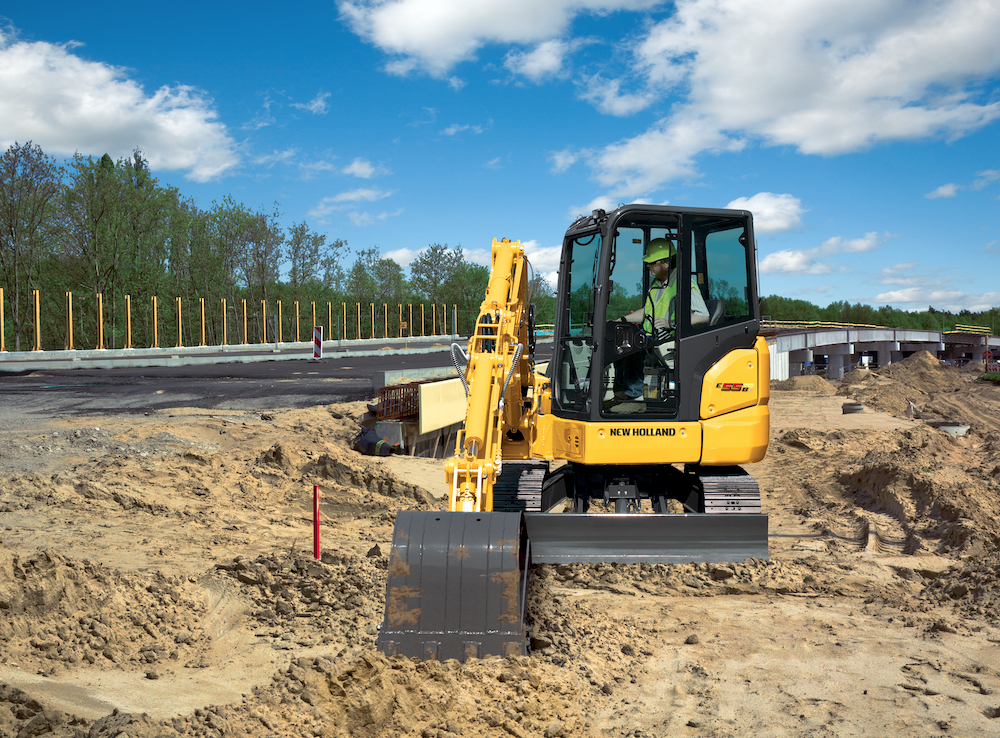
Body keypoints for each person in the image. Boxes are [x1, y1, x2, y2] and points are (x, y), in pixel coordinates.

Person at [614, 238, 709, 403]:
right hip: (652, 335)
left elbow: (703, 316)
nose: (649, 266)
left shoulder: (684, 284)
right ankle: (622, 395)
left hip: (670, 338)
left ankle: (634, 396)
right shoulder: (657, 284)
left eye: (652, 262)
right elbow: (647, 311)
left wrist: (670, 323)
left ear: (666, 264)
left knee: (633, 349)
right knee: (621, 342)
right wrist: (622, 320)